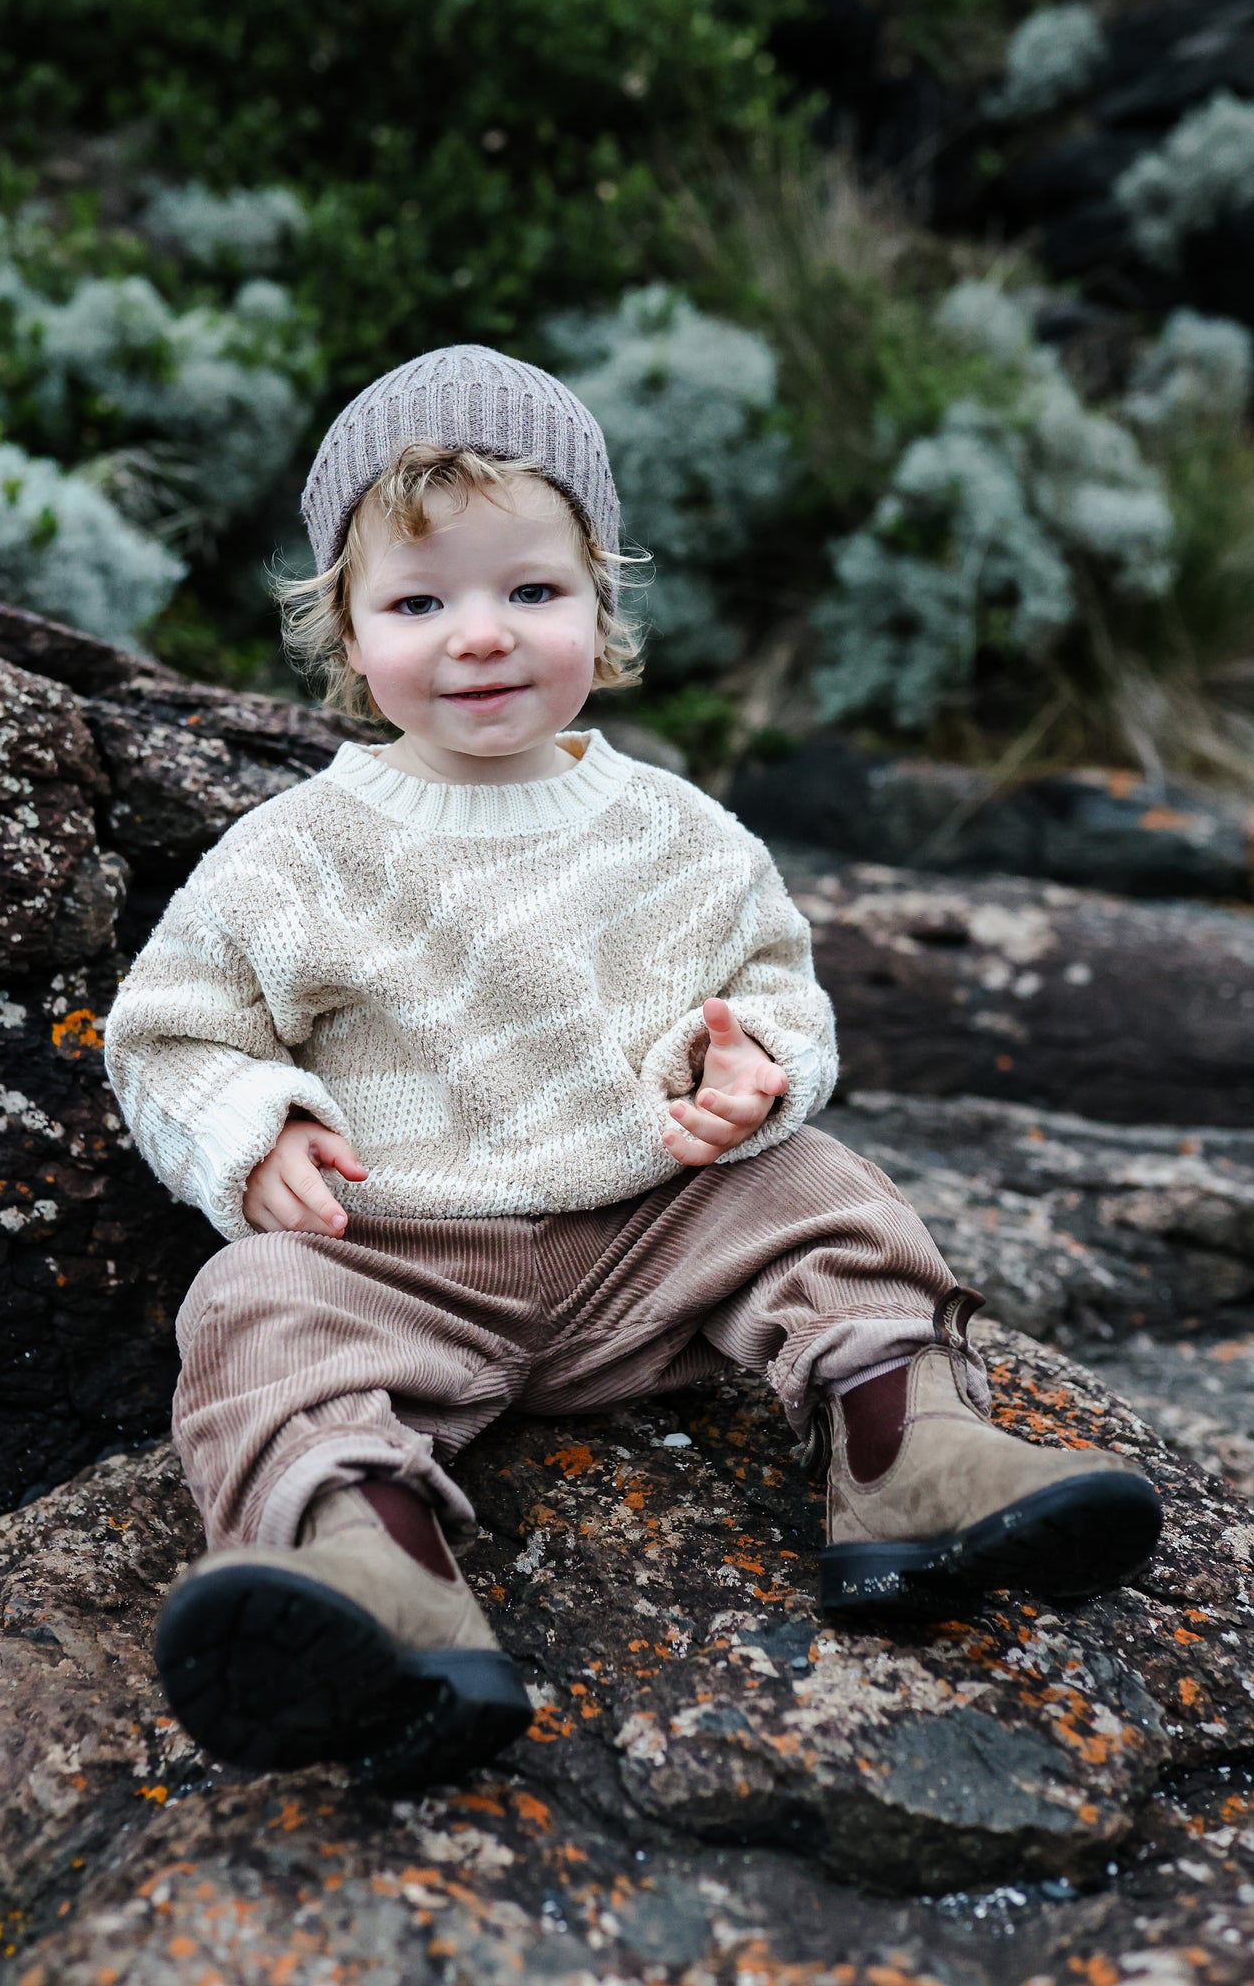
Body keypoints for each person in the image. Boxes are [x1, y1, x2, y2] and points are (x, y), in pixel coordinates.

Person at [103, 345, 1161, 1789]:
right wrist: (252, 1127)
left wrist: (746, 1072)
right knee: (252, 1305)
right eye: (418, 601)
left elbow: (775, 988)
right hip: (403, 1251)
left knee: (819, 1190)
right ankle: (367, 1568)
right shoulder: (295, 853)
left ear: (601, 609)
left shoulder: (675, 831)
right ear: (347, 638)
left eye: (529, 591)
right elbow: (172, 1028)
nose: (478, 636)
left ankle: (904, 1450)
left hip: (656, 1226)